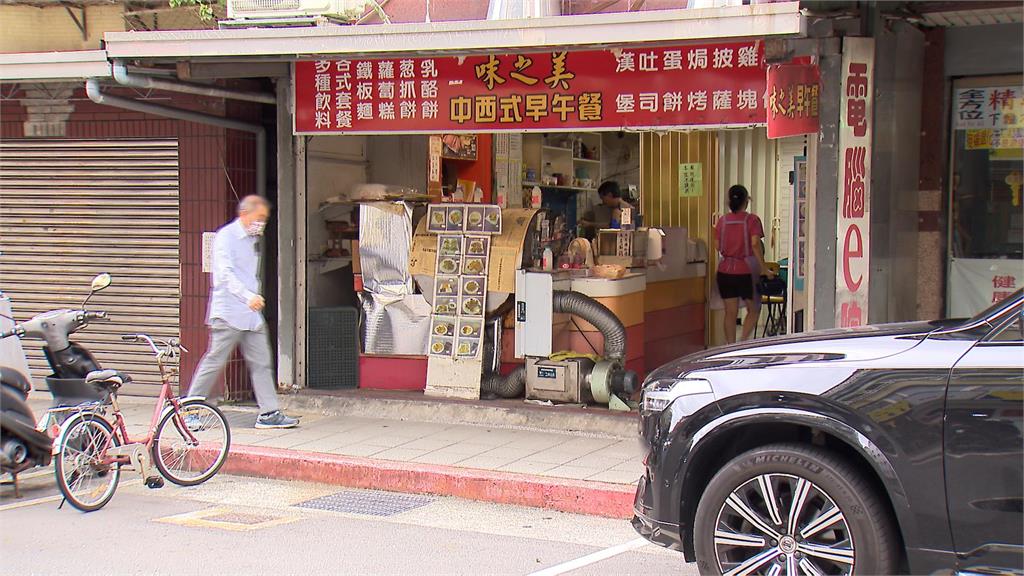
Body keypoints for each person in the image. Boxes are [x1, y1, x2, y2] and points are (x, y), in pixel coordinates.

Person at [187, 195, 298, 429]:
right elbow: (224, 275)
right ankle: (190, 410)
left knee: (261, 362)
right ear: (244, 214)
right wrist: (248, 297)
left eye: (264, 220)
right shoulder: (226, 238)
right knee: (215, 361)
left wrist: (252, 300)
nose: (262, 224)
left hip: (251, 315)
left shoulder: (251, 240)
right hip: (229, 312)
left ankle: (269, 413)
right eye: (259, 218)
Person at [715, 184, 775, 344]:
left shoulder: (722, 221)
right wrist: (763, 268)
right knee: (754, 309)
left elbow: (717, 245)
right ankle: (742, 342)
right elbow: (755, 243)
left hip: (724, 271)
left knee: (730, 312)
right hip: (745, 272)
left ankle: (730, 346)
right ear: (746, 201)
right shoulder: (752, 220)